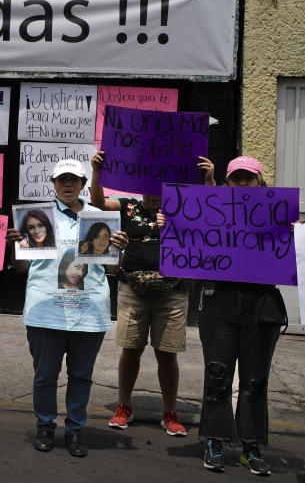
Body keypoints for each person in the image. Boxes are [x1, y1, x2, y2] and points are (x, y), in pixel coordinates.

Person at [6, 159, 129, 458]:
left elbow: (113, 270)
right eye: (62, 180)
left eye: (74, 180)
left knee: (81, 376)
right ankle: (45, 427)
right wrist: (16, 245)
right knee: (45, 375)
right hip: (45, 311)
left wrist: (120, 250)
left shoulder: (100, 217)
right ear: (53, 183)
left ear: (84, 184)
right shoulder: (38, 217)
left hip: (88, 312)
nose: (68, 185)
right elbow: (21, 268)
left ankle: (75, 430)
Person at [91, 151, 215, 438]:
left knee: (167, 353)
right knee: (131, 349)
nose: (153, 197)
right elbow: (98, 203)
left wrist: (209, 180)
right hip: (132, 289)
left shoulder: (185, 208)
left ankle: (170, 412)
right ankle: (124, 406)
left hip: (173, 292)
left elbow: (213, 216)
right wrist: (96, 171)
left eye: (159, 191)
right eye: (149, 191)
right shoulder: (127, 206)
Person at [195, 156, 288, 475]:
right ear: (228, 182)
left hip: (261, 307)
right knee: (217, 374)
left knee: (255, 379)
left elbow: (296, 257)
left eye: (248, 178)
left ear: (260, 182)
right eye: (236, 178)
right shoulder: (214, 212)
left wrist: (302, 233)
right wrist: (172, 225)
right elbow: (188, 232)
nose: (242, 183)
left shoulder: (277, 217)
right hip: (220, 303)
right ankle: (214, 439)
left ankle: (251, 444)